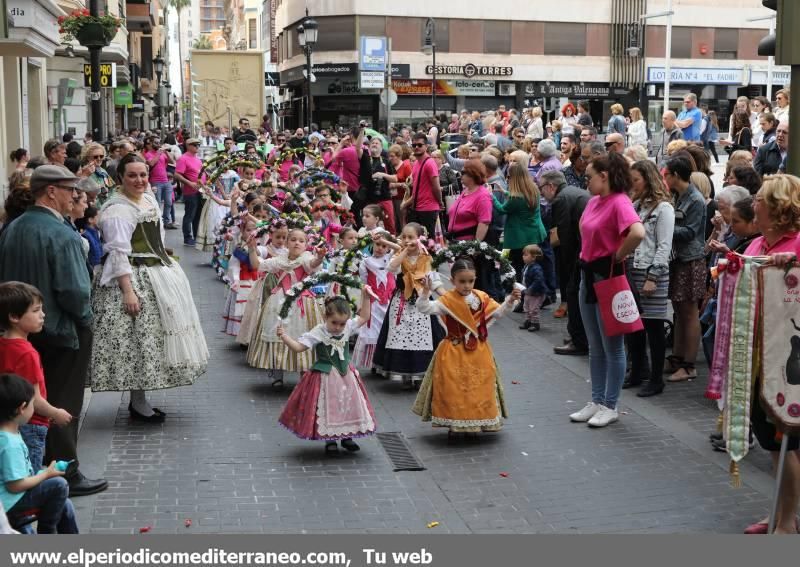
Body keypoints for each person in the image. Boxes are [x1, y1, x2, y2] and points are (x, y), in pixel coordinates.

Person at [0, 165, 106, 497]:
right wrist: (86, 320)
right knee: (61, 400)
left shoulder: (14, 227)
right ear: (51, 192)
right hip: (61, 330)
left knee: (30, 400)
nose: (76, 196)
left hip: (20, 329)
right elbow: (75, 291)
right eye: (70, 190)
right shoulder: (60, 233)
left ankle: (35, 468)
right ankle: (65, 472)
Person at [90, 154, 209, 422]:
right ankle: (138, 402)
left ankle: (140, 400)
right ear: (120, 177)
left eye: (143, 174)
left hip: (157, 273)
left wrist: (160, 250)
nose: (139, 180)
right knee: (138, 341)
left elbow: (155, 234)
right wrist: (128, 291)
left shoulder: (147, 198)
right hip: (133, 278)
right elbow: (118, 254)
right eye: (132, 175)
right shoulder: (117, 210)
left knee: (150, 340)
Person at [740, 174, 800, 535]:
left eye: (760, 198)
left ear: (778, 206)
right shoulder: (756, 244)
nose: (753, 203)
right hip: (758, 354)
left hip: (790, 359)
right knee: (771, 442)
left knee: (789, 441)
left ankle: (788, 521)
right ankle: (777, 510)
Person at [569, 153, 644, 428]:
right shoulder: (594, 202)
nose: (586, 181)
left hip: (607, 277)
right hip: (589, 275)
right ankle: (597, 399)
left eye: (589, 177)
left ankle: (610, 404)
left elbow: (637, 232)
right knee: (595, 345)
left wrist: (617, 256)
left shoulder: (620, 202)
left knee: (611, 346)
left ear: (605, 176)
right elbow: (584, 231)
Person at [412, 257, 520, 435]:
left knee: (479, 386)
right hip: (453, 350)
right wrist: (425, 291)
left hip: (479, 350)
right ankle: (455, 425)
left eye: (471, 281)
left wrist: (509, 301)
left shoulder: (482, 298)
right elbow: (424, 308)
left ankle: (476, 423)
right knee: (454, 388)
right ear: (452, 281)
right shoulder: (447, 300)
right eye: (462, 281)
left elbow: (499, 313)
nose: (467, 285)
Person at [277, 294, 376, 454]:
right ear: (325, 317)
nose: (338, 327)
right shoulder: (319, 332)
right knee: (330, 406)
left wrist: (366, 297)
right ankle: (330, 440)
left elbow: (364, 316)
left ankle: (347, 437)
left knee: (348, 404)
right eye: (334, 323)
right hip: (325, 377)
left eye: (342, 324)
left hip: (346, 376)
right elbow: (298, 347)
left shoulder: (348, 327)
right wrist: (284, 336)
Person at [0, 282, 73, 471]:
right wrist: (56, 413)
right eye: (36, 310)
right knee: (28, 477)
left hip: (8, 422)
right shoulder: (27, 353)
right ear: (14, 317)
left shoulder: (4, 345)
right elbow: (34, 398)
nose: (43, 315)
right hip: (31, 425)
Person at [246, 227, 327, 387]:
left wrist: (320, 257)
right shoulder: (278, 260)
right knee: (277, 333)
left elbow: (313, 264)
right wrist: (251, 249)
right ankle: (277, 374)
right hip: (278, 302)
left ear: (306, 245)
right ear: (287, 242)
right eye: (293, 239)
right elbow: (257, 264)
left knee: (303, 335)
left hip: (301, 302)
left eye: (301, 241)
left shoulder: (306, 259)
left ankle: (304, 373)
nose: (297, 243)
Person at [0, 374, 79, 533]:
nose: (33, 409)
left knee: (66, 504)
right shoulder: (9, 444)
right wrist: (46, 475)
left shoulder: (11, 433)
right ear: (22, 408)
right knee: (59, 485)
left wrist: (45, 472)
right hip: (12, 502)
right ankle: (46, 532)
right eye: (32, 405)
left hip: (15, 497)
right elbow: (15, 485)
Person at [623, 160, 675, 397]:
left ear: (648, 179)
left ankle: (656, 379)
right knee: (634, 326)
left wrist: (653, 276)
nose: (633, 184)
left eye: (636, 179)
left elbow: (664, 246)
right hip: (634, 268)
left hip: (652, 271)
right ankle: (637, 371)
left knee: (654, 327)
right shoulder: (636, 204)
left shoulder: (664, 208)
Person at [373, 223, 445, 387]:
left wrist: (447, 296)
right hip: (402, 301)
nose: (406, 240)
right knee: (401, 334)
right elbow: (392, 268)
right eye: (404, 237)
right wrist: (403, 250)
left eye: (410, 237)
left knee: (424, 336)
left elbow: (434, 280)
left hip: (422, 300)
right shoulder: (398, 254)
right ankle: (404, 374)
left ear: (419, 239)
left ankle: (421, 375)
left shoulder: (426, 257)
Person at [663, 156, 706, 382]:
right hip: (679, 259)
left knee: (689, 313)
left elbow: (690, 231)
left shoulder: (695, 200)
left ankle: (689, 364)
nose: (664, 178)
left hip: (691, 260)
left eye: (666, 174)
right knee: (680, 312)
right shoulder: (679, 196)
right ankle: (678, 357)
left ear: (676, 175)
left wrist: (664, 227)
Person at [541, 170, 591, 355]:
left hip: (579, 253)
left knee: (573, 293)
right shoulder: (573, 192)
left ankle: (578, 340)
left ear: (551, 186)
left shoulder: (561, 199)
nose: (541, 193)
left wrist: (568, 265)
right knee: (578, 294)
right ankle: (579, 336)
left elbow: (565, 234)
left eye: (542, 188)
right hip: (584, 249)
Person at [404, 133, 443, 237]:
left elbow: (436, 187)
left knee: (428, 243)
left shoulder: (430, 163)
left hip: (428, 209)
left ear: (426, 146)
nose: (416, 147)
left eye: (420, 145)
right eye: (414, 145)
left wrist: (440, 202)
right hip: (416, 209)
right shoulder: (417, 163)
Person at [174, 138, 203, 246]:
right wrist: (190, 183)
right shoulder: (183, 158)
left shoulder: (198, 159)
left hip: (200, 190)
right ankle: (187, 237)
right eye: (195, 145)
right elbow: (177, 174)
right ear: (188, 145)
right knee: (190, 214)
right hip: (190, 191)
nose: (197, 147)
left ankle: (196, 236)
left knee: (198, 215)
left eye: (198, 145)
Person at [143, 137, 176, 229]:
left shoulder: (163, 153)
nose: (158, 144)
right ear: (152, 143)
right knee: (157, 203)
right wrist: (158, 153)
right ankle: (157, 221)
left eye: (159, 142)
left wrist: (166, 152)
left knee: (169, 202)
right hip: (155, 181)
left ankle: (166, 221)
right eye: (156, 143)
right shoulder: (148, 154)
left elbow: (172, 162)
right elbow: (151, 164)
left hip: (166, 181)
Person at [518, 244, 548, 332]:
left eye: (526, 255)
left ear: (534, 257)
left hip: (536, 293)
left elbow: (538, 281)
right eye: (523, 254)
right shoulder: (526, 266)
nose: (523, 256)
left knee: (533, 309)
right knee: (526, 307)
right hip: (528, 291)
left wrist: (530, 289)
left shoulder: (536, 268)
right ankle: (528, 321)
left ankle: (535, 323)